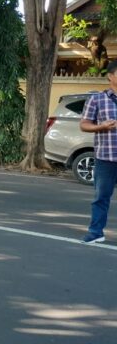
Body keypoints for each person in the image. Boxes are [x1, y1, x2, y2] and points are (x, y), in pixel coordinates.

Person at [78, 59, 117, 244]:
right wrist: (101, 126)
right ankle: (95, 232)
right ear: (110, 76)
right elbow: (84, 124)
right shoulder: (97, 99)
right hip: (106, 158)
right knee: (101, 197)